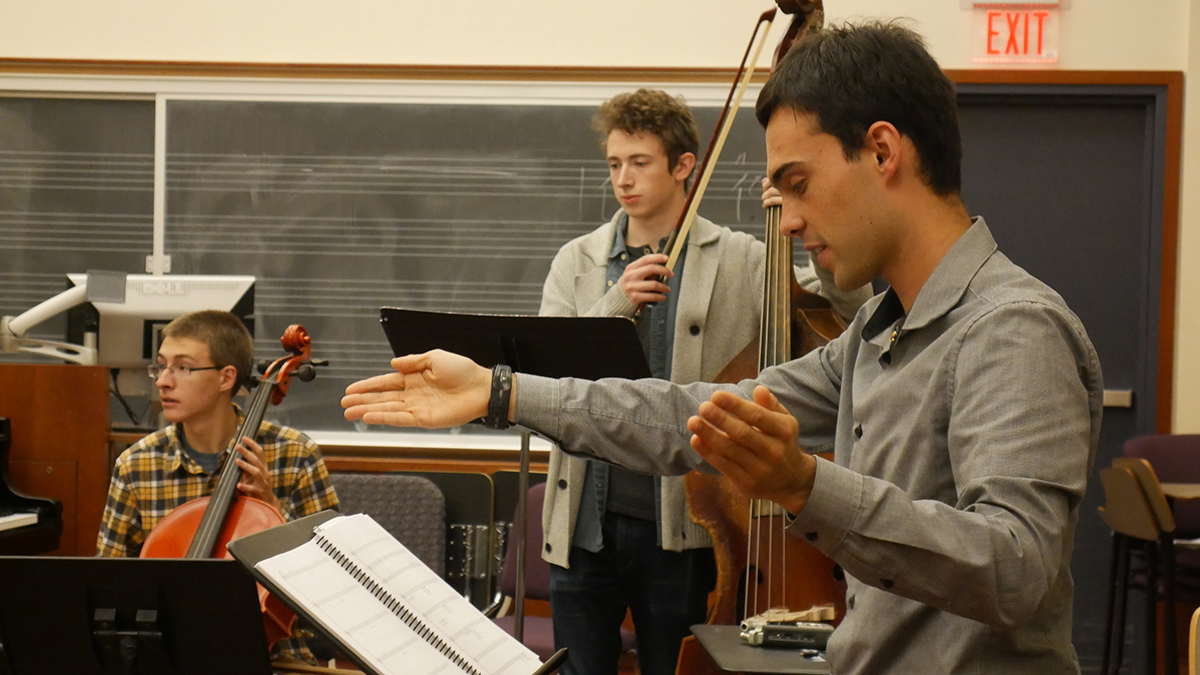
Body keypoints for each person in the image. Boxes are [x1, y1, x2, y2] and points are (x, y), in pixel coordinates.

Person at [343, 21, 1102, 675]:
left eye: (797, 183)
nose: (790, 219)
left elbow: (1018, 569)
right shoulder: (874, 334)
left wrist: (806, 486)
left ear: (881, 151)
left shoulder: (1011, 327)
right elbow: (689, 414)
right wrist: (504, 389)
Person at [538, 88, 870, 675]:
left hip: (685, 530)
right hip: (585, 526)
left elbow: (846, 306)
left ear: (684, 165)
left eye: (639, 162)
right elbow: (546, 370)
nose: (624, 179)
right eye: (615, 164)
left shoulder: (741, 258)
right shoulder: (578, 261)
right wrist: (617, 301)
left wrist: (805, 230)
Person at [97, 310, 339, 659]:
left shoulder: (296, 455)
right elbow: (109, 586)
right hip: (167, 659)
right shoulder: (137, 466)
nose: (163, 381)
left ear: (227, 378)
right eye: (161, 366)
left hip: (275, 658)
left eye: (182, 368)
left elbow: (334, 581)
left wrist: (272, 506)